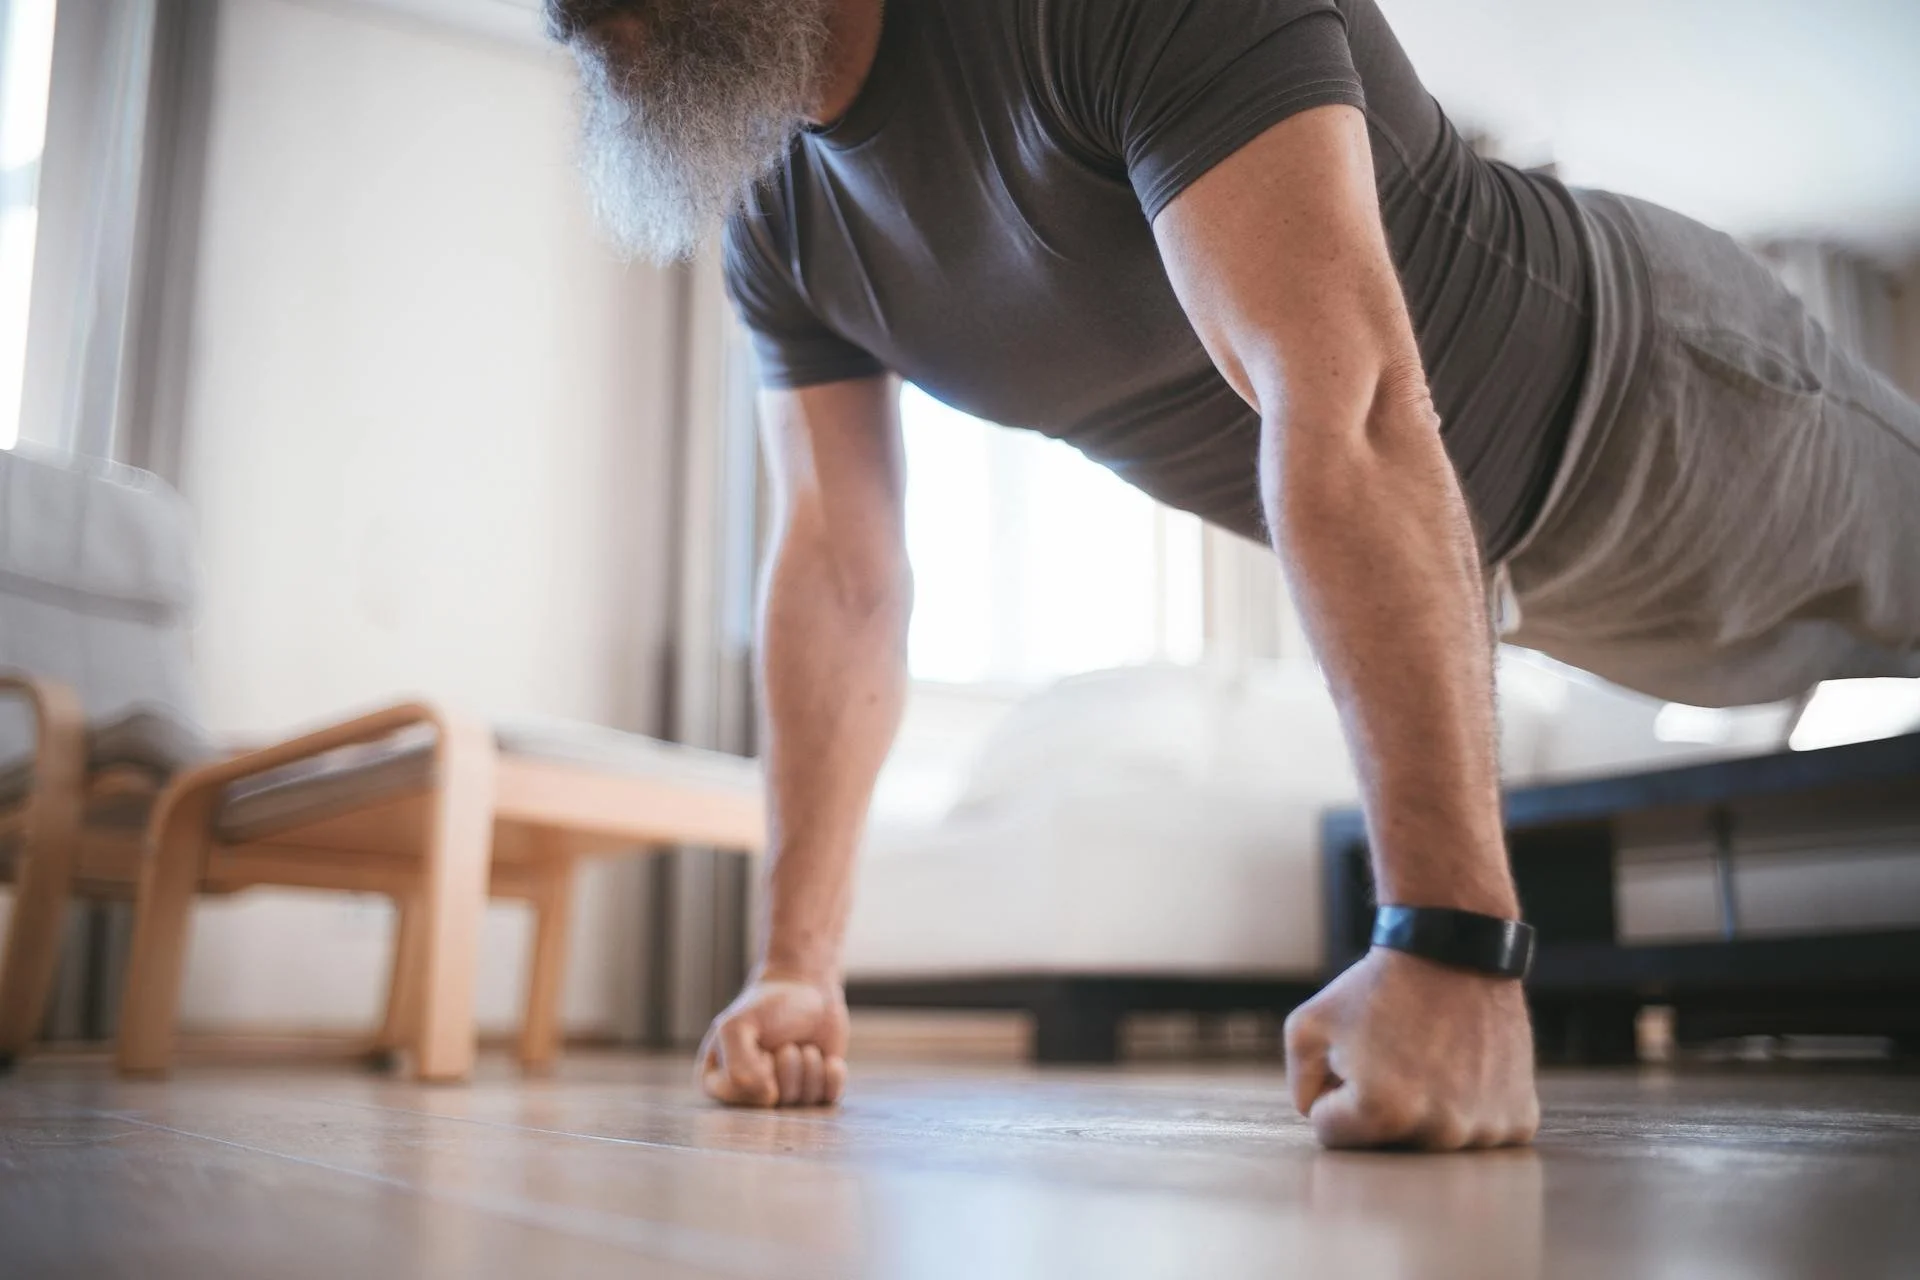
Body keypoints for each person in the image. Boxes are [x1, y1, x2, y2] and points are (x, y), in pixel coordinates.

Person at [543, 0, 1920, 1150]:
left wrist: (1452, 947)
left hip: (1671, 404)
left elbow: (1354, 399)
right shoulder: (776, 221)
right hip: (1535, 588)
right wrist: (795, 968)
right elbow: (838, 571)